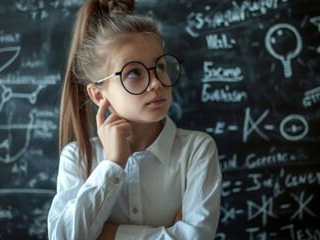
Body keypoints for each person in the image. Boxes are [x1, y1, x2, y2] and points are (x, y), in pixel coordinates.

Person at [47, 0, 222, 239]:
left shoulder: (197, 150)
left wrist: (106, 235)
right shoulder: (77, 157)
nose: (157, 82)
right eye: (134, 72)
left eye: (160, 66)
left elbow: (197, 237)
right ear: (98, 95)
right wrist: (113, 164)